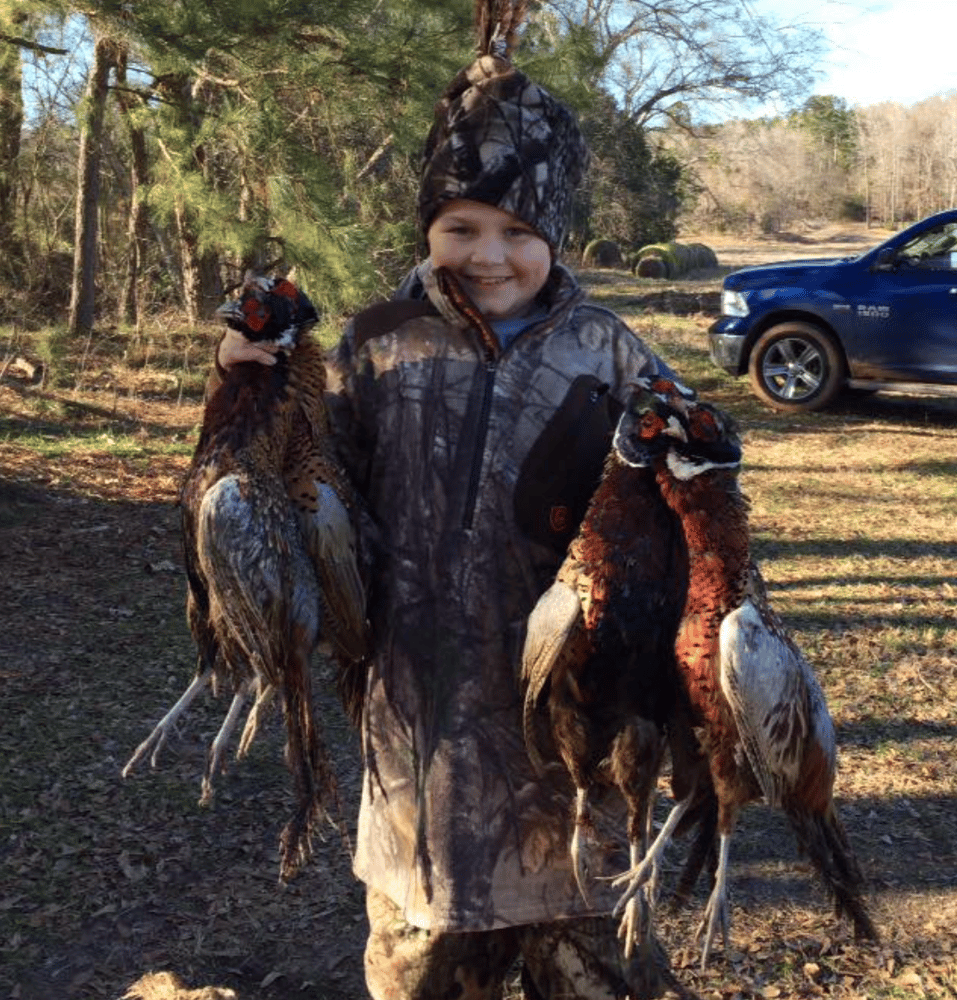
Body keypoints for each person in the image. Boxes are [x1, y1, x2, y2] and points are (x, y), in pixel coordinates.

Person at [215, 3, 685, 997]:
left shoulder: (611, 356)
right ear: (428, 224)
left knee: (598, 965)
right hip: (415, 767)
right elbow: (306, 486)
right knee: (419, 969)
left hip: (575, 778)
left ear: (557, 234)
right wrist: (251, 383)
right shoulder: (376, 342)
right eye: (460, 225)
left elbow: (694, 521)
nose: (487, 254)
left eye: (519, 232)